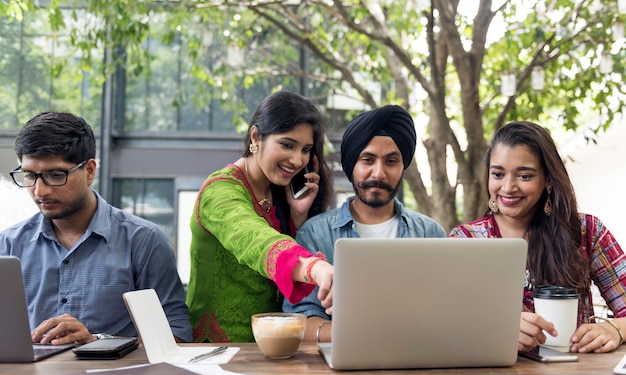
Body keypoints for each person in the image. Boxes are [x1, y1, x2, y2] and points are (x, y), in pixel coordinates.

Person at [0, 111, 192, 345]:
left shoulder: (144, 242)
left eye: (55, 174)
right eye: (30, 176)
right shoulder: (8, 245)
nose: (40, 191)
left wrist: (97, 341)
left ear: (90, 171)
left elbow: (178, 338)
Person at [449, 121, 626, 354]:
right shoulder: (465, 240)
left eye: (524, 175)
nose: (508, 187)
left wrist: (615, 329)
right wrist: (499, 330)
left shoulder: (586, 231)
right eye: (498, 174)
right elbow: (447, 324)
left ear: (548, 180)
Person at [283, 105, 447, 342]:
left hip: (415, 365)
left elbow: (444, 312)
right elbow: (299, 320)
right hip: (339, 370)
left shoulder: (430, 233)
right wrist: (357, 335)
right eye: (368, 160)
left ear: (403, 167)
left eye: (391, 161)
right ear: (352, 166)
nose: (378, 173)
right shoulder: (315, 233)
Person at [186, 90, 335, 343]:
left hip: (274, 345)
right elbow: (256, 240)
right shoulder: (219, 191)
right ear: (256, 137)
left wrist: (298, 218)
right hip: (218, 352)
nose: (298, 160)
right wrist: (316, 267)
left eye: (306, 149)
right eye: (287, 145)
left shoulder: (278, 192)